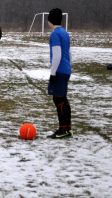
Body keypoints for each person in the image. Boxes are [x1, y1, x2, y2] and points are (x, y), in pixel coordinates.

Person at [46, 8, 73, 139]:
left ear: (50, 20)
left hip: (60, 70)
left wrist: (53, 73)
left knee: (58, 99)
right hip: (66, 69)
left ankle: (63, 130)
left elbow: (57, 55)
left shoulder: (55, 34)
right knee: (63, 99)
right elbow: (69, 53)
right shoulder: (65, 33)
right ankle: (67, 129)